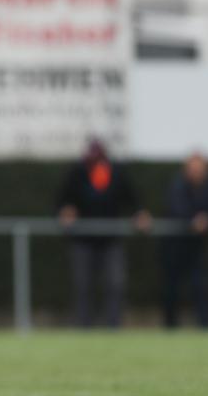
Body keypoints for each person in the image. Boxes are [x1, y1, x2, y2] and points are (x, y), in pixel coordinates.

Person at [56, 139, 150, 328]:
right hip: (83, 240)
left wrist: (139, 213)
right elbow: (62, 200)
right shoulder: (77, 172)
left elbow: (132, 199)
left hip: (111, 240)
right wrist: (65, 211)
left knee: (115, 284)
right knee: (82, 285)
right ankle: (83, 326)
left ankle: (113, 326)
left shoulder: (116, 172)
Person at [162, 152, 208, 328]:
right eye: (193, 169)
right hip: (174, 246)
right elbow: (176, 208)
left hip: (197, 247)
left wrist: (207, 219)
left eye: (200, 170)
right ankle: (170, 326)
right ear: (187, 170)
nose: (197, 173)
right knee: (172, 286)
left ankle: (206, 325)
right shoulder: (177, 185)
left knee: (200, 285)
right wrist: (193, 220)